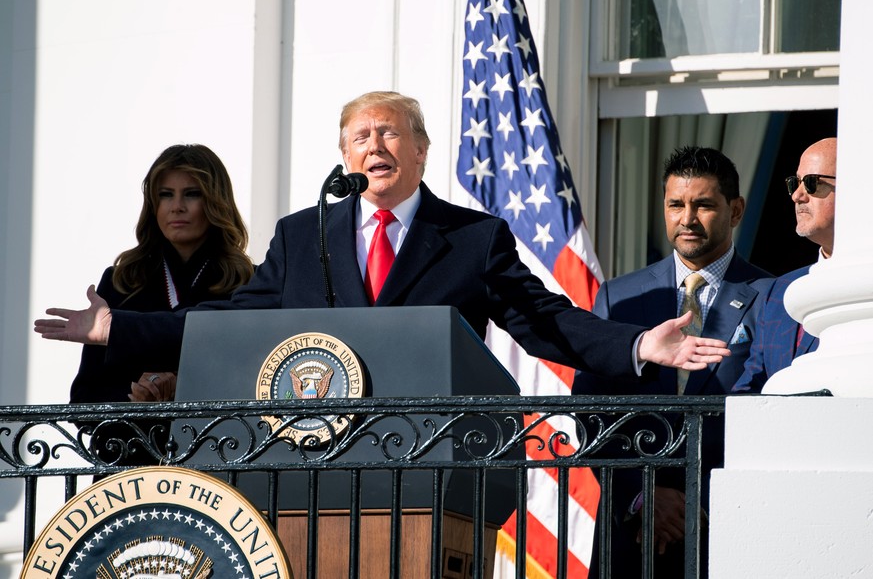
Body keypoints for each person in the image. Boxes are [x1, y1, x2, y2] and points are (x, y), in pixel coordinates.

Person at [35, 92, 730, 392]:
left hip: (430, 465)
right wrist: (117, 328)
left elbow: (543, 320)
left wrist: (638, 344)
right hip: (315, 464)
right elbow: (225, 322)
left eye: (389, 131)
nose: (375, 144)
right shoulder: (302, 235)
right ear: (344, 154)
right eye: (360, 136)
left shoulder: (471, 237)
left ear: (422, 150)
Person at [572, 146, 774, 577]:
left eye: (704, 204)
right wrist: (644, 495)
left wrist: (692, 503)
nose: (687, 219)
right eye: (676, 204)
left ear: (735, 210)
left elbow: (772, 410)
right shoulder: (620, 297)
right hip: (631, 533)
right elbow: (589, 409)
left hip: (728, 526)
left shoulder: (772, 296)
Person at [71, 143, 254, 466]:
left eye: (192, 194)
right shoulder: (120, 281)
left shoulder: (247, 283)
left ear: (214, 201)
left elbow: (254, 389)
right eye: (166, 195)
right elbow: (84, 401)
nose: (177, 207)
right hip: (129, 470)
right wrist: (135, 399)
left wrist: (179, 390)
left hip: (216, 471)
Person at [733, 137, 837, 393]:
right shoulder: (781, 289)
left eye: (812, 183)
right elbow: (752, 385)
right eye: (795, 183)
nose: (797, 196)